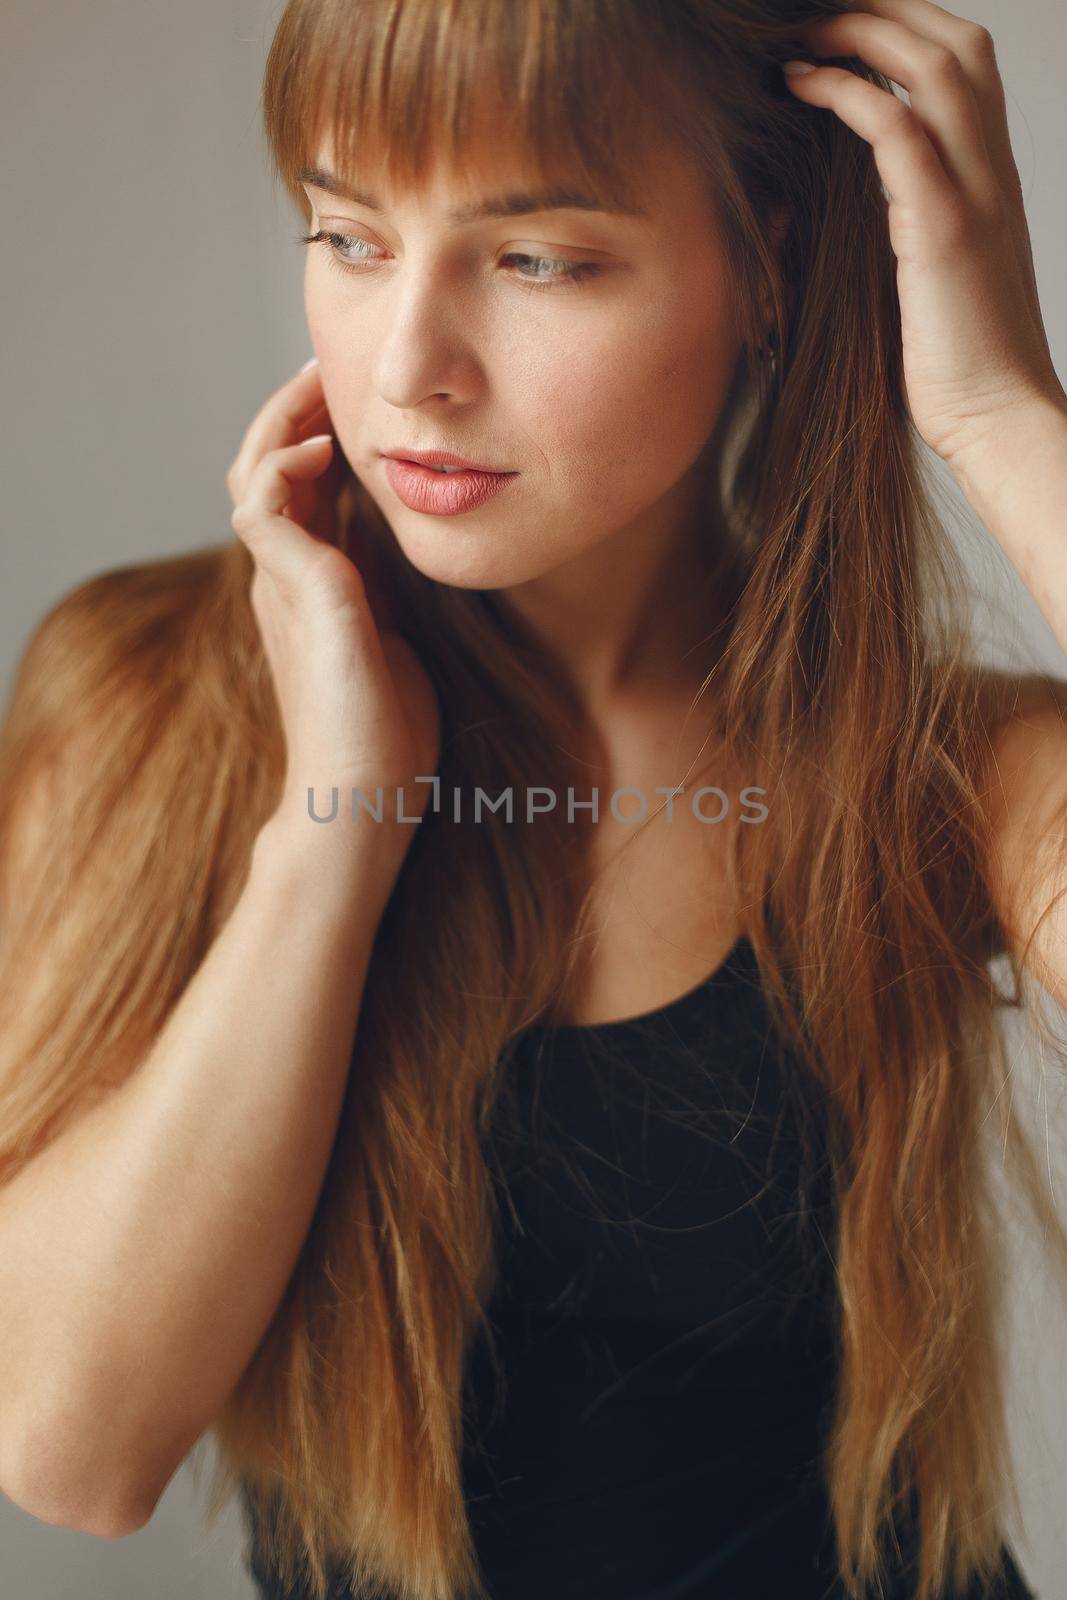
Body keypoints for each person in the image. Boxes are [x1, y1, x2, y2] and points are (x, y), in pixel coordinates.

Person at [0, 0, 1065, 1597]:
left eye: (537, 259)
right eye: (349, 237)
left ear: (769, 262)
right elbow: (69, 1451)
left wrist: (997, 417)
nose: (407, 369)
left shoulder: (942, 774)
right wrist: (334, 825)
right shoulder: (144, 700)